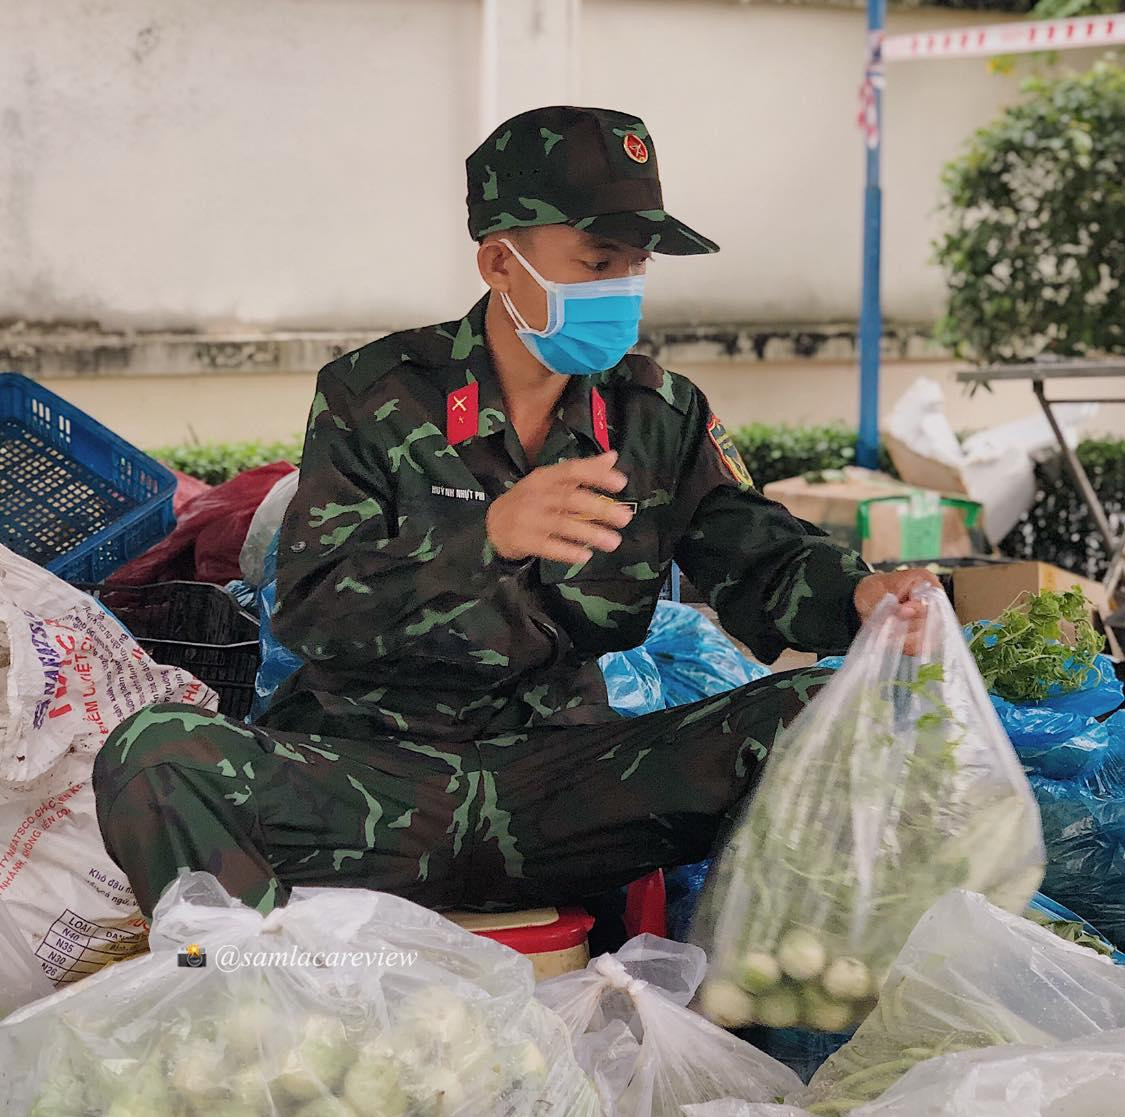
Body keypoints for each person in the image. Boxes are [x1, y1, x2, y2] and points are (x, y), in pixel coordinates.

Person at [92, 106, 939, 919]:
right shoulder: (375, 392)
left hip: (562, 786)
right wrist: (483, 538)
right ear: (500, 263)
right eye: (598, 263)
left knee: (823, 713)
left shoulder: (657, 414)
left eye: (639, 265)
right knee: (156, 754)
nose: (626, 287)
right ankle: (249, 995)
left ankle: (769, 1008)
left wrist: (860, 598)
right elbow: (316, 611)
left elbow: (761, 558)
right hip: (368, 780)